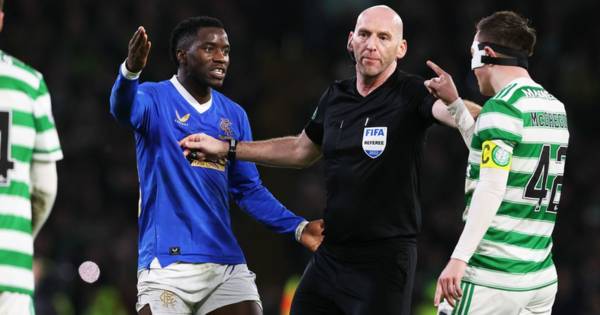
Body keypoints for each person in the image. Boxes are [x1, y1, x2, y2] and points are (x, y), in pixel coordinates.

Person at [180, 6, 480, 315]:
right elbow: (300, 150)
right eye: (364, 34)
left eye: (383, 37)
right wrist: (227, 147)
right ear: (351, 41)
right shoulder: (337, 96)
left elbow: (456, 115)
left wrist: (465, 105)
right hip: (332, 254)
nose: (371, 44)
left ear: (400, 48)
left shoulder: (412, 92)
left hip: (385, 261)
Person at [109, 16, 323, 315]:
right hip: (167, 264)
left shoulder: (233, 115)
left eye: (226, 50)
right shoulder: (153, 97)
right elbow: (122, 109)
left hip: (224, 263)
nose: (221, 57)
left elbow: (249, 190)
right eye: (210, 49)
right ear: (182, 55)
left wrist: (298, 228)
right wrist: (130, 71)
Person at [425, 11, 569, 314]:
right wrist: (454, 103)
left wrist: (459, 258)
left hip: (493, 276)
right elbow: (491, 159)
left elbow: (491, 187)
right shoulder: (554, 108)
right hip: (539, 276)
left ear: (485, 55)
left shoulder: (502, 107)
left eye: (472, 54)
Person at [0, 0, 63, 313]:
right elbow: (44, 188)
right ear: (0, 20)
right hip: (10, 267)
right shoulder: (29, 84)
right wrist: (19, 234)